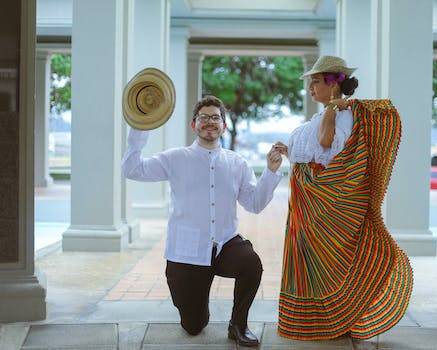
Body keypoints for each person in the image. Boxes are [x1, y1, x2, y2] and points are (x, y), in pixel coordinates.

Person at [122, 95, 283, 347]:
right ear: (193, 124)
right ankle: (198, 307)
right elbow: (132, 169)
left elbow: (255, 204)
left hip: (225, 244)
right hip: (187, 251)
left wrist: (271, 172)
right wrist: (140, 127)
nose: (210, 122)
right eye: (204, 117)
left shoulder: (236, 163)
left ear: (224, 126)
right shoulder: (175, 158)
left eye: (215, 117)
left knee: (251, 263)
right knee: (194, 326)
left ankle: (238, 325)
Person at [274, 56, 413, 340]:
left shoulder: (342, 114)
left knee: (323, 262)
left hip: (321, 200)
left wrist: (331, 111)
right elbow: (316, 153)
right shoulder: (330, 112)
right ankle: (313, 321)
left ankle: (328, 320)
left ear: (333, 84)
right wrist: (291, 153)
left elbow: (326, 144)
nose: (311, 87)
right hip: (306, 200)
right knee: (308, 260)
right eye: (310, 82)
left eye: (316, 81)